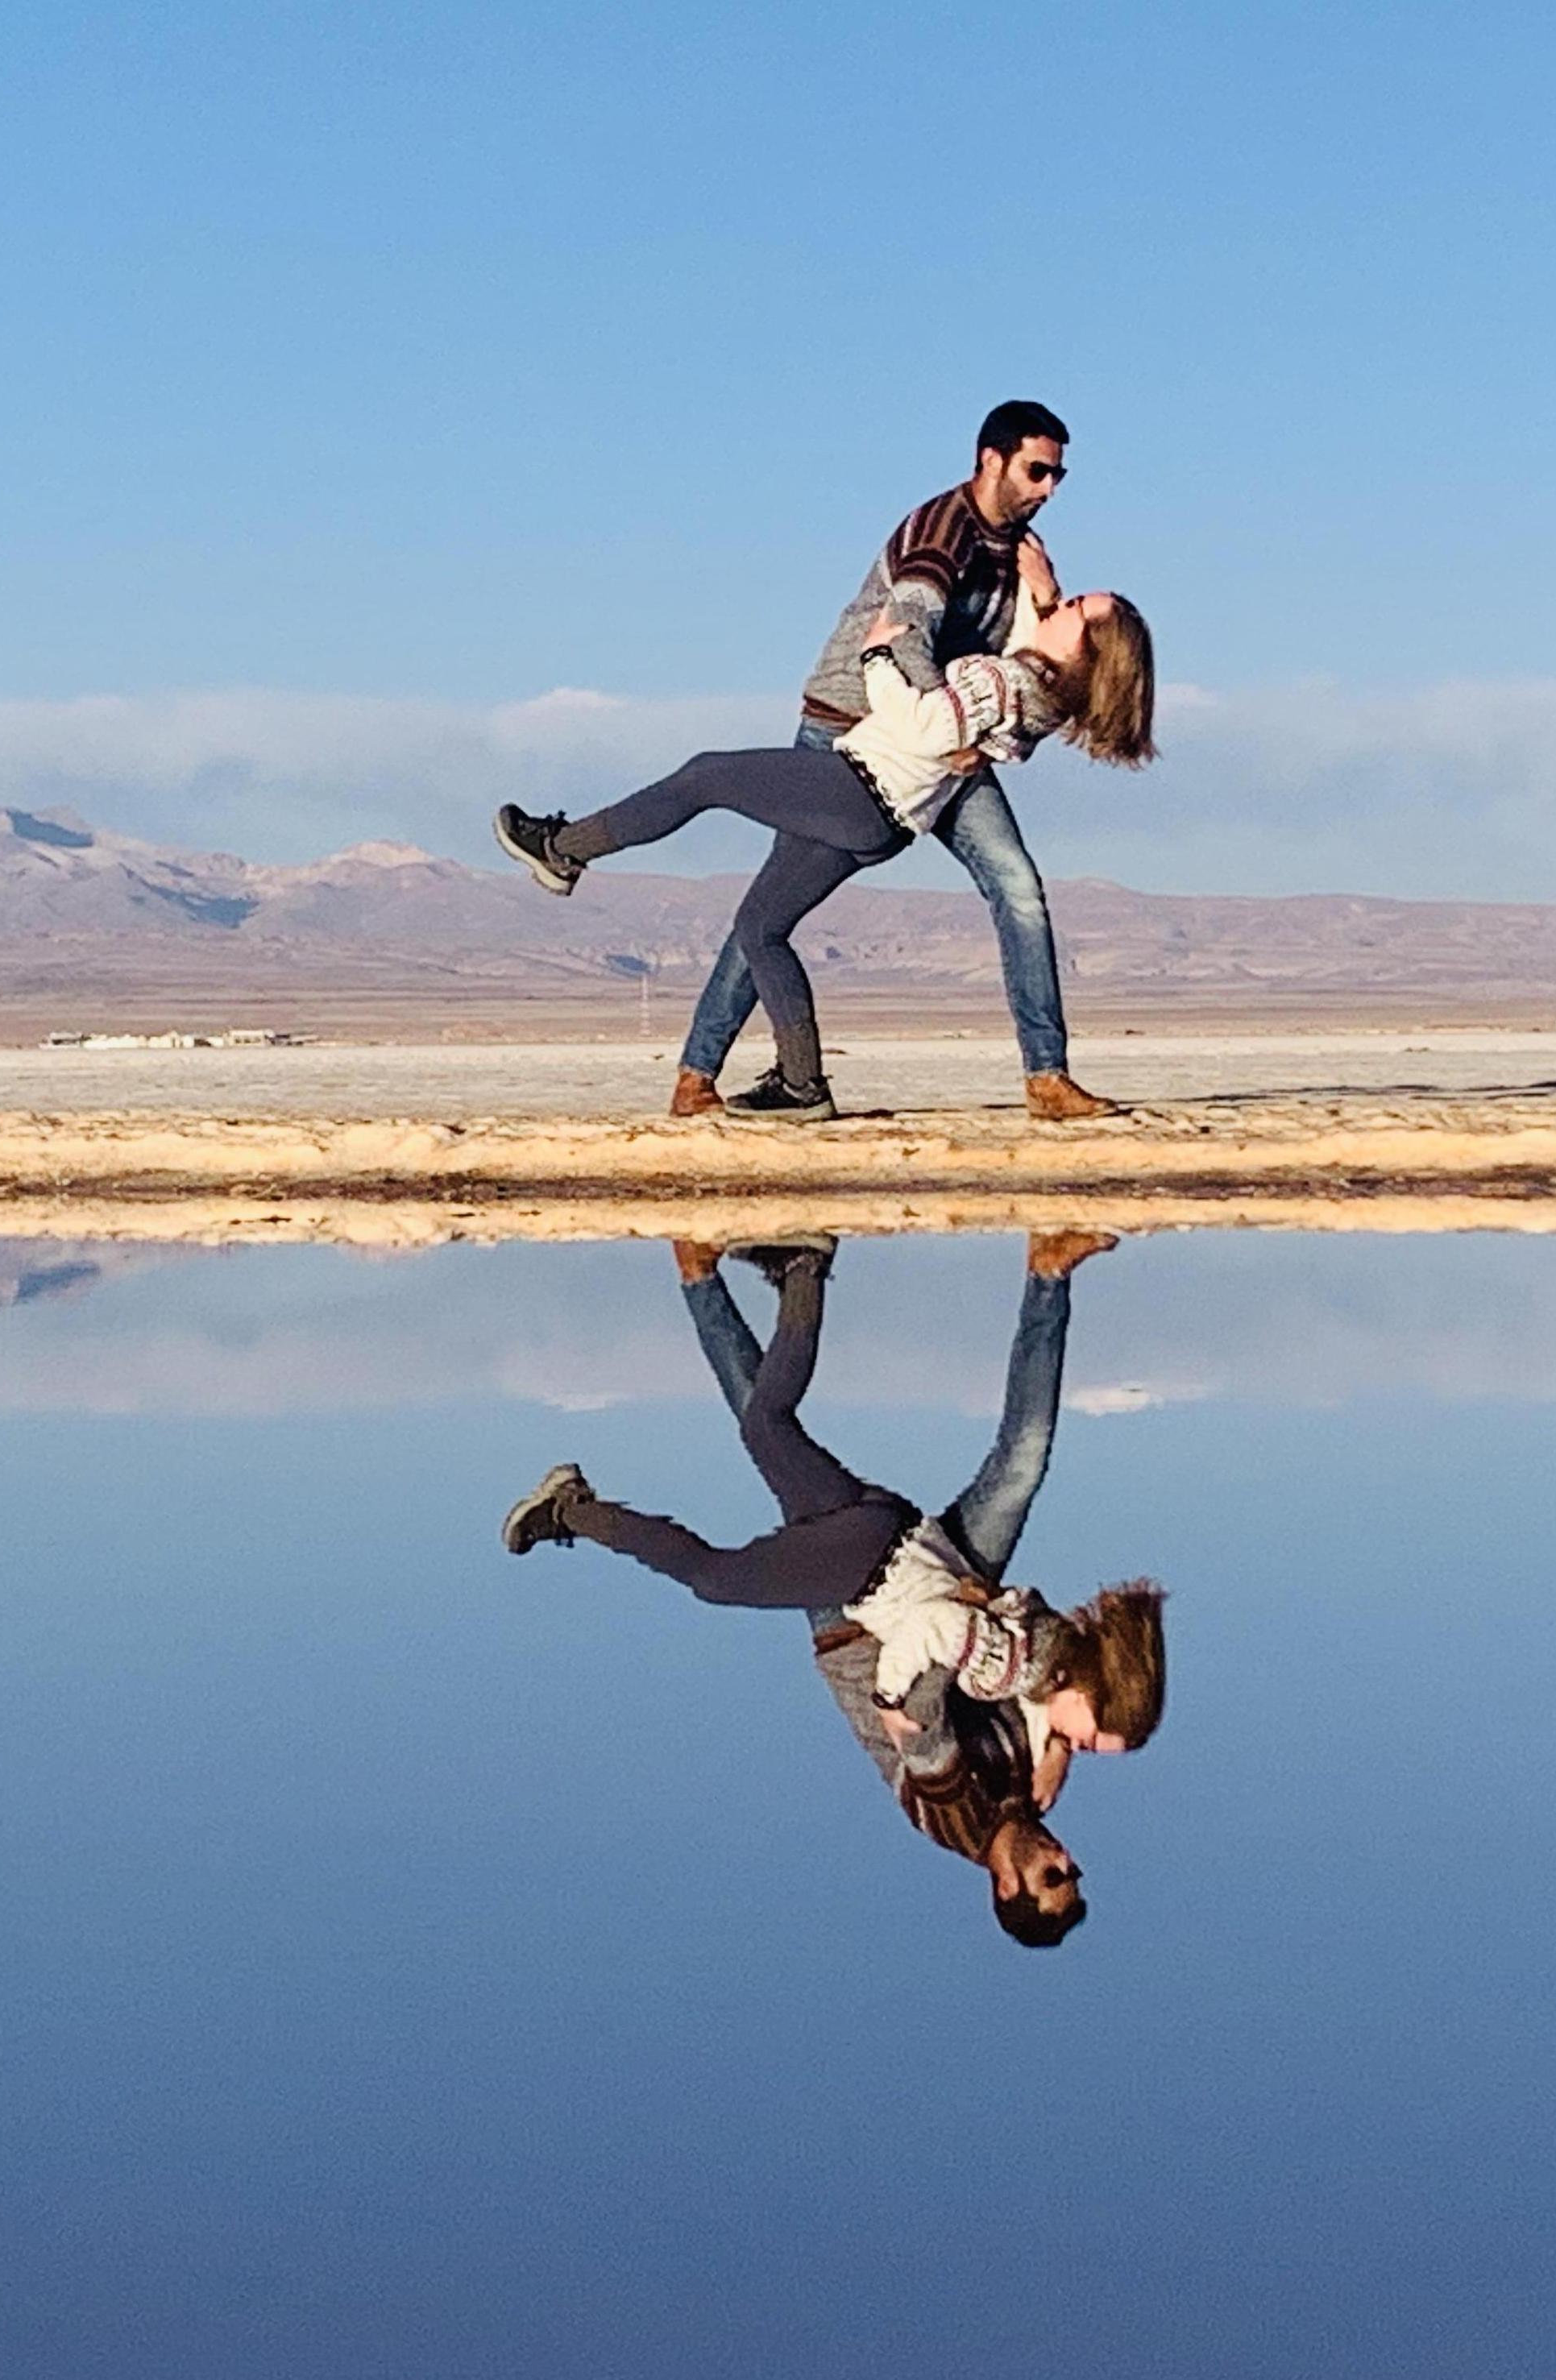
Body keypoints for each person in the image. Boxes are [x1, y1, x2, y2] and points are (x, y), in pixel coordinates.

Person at [500, 1229, 1143, 1944]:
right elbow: (1038, 1668)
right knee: (1020, 1460)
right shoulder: (1038, 1785)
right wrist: (1052, 1735)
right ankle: (1046, 1269)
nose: (1065, 1857)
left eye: (1053, 1875)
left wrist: (1005, 1698)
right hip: (947, 1580)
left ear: (1006, 1884)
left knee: (761, 1458)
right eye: (1075, 1870)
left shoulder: (951, 1816)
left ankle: (709, 1283)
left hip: (858, 1617)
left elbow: (920, 1697)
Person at [495, 584, 1155, 1117]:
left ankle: (564, 848)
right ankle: (804, 1084)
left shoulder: (999, 681)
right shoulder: (1039, 709)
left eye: (1075, 610)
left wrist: (875, 657)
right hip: (885, 825)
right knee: (761, 929)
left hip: (853, 790)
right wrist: (1042, 591)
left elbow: (921, 726)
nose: (1058, 605)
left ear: (1086, 652)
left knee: (704, 776)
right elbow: (1016, 674)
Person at [683, 403, 1125, 1122]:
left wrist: (1044, 596)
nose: (1049, 488)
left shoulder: (1025, 555)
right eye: (1038, 471)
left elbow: (1039, 674)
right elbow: (909, 627)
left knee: (1017, 885)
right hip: (853, 731)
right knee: (773, 908)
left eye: (1058, 476)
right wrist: (933, 723)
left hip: (945, 746)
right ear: (992, 460)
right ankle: (697, 1074)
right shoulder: (938, 530)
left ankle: (1048, 1078)